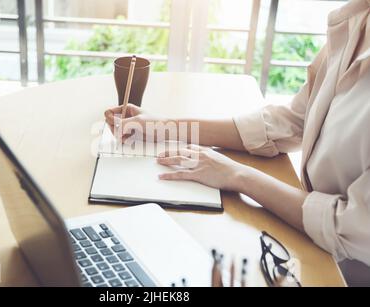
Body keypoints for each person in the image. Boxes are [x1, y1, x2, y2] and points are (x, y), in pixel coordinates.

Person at [104, 0, 370, 286]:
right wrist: (165, 126)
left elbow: (352, 228)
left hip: (344, 272)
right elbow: (292, 121)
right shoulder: (357, 18)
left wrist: (236, 175)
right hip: (305, 242)